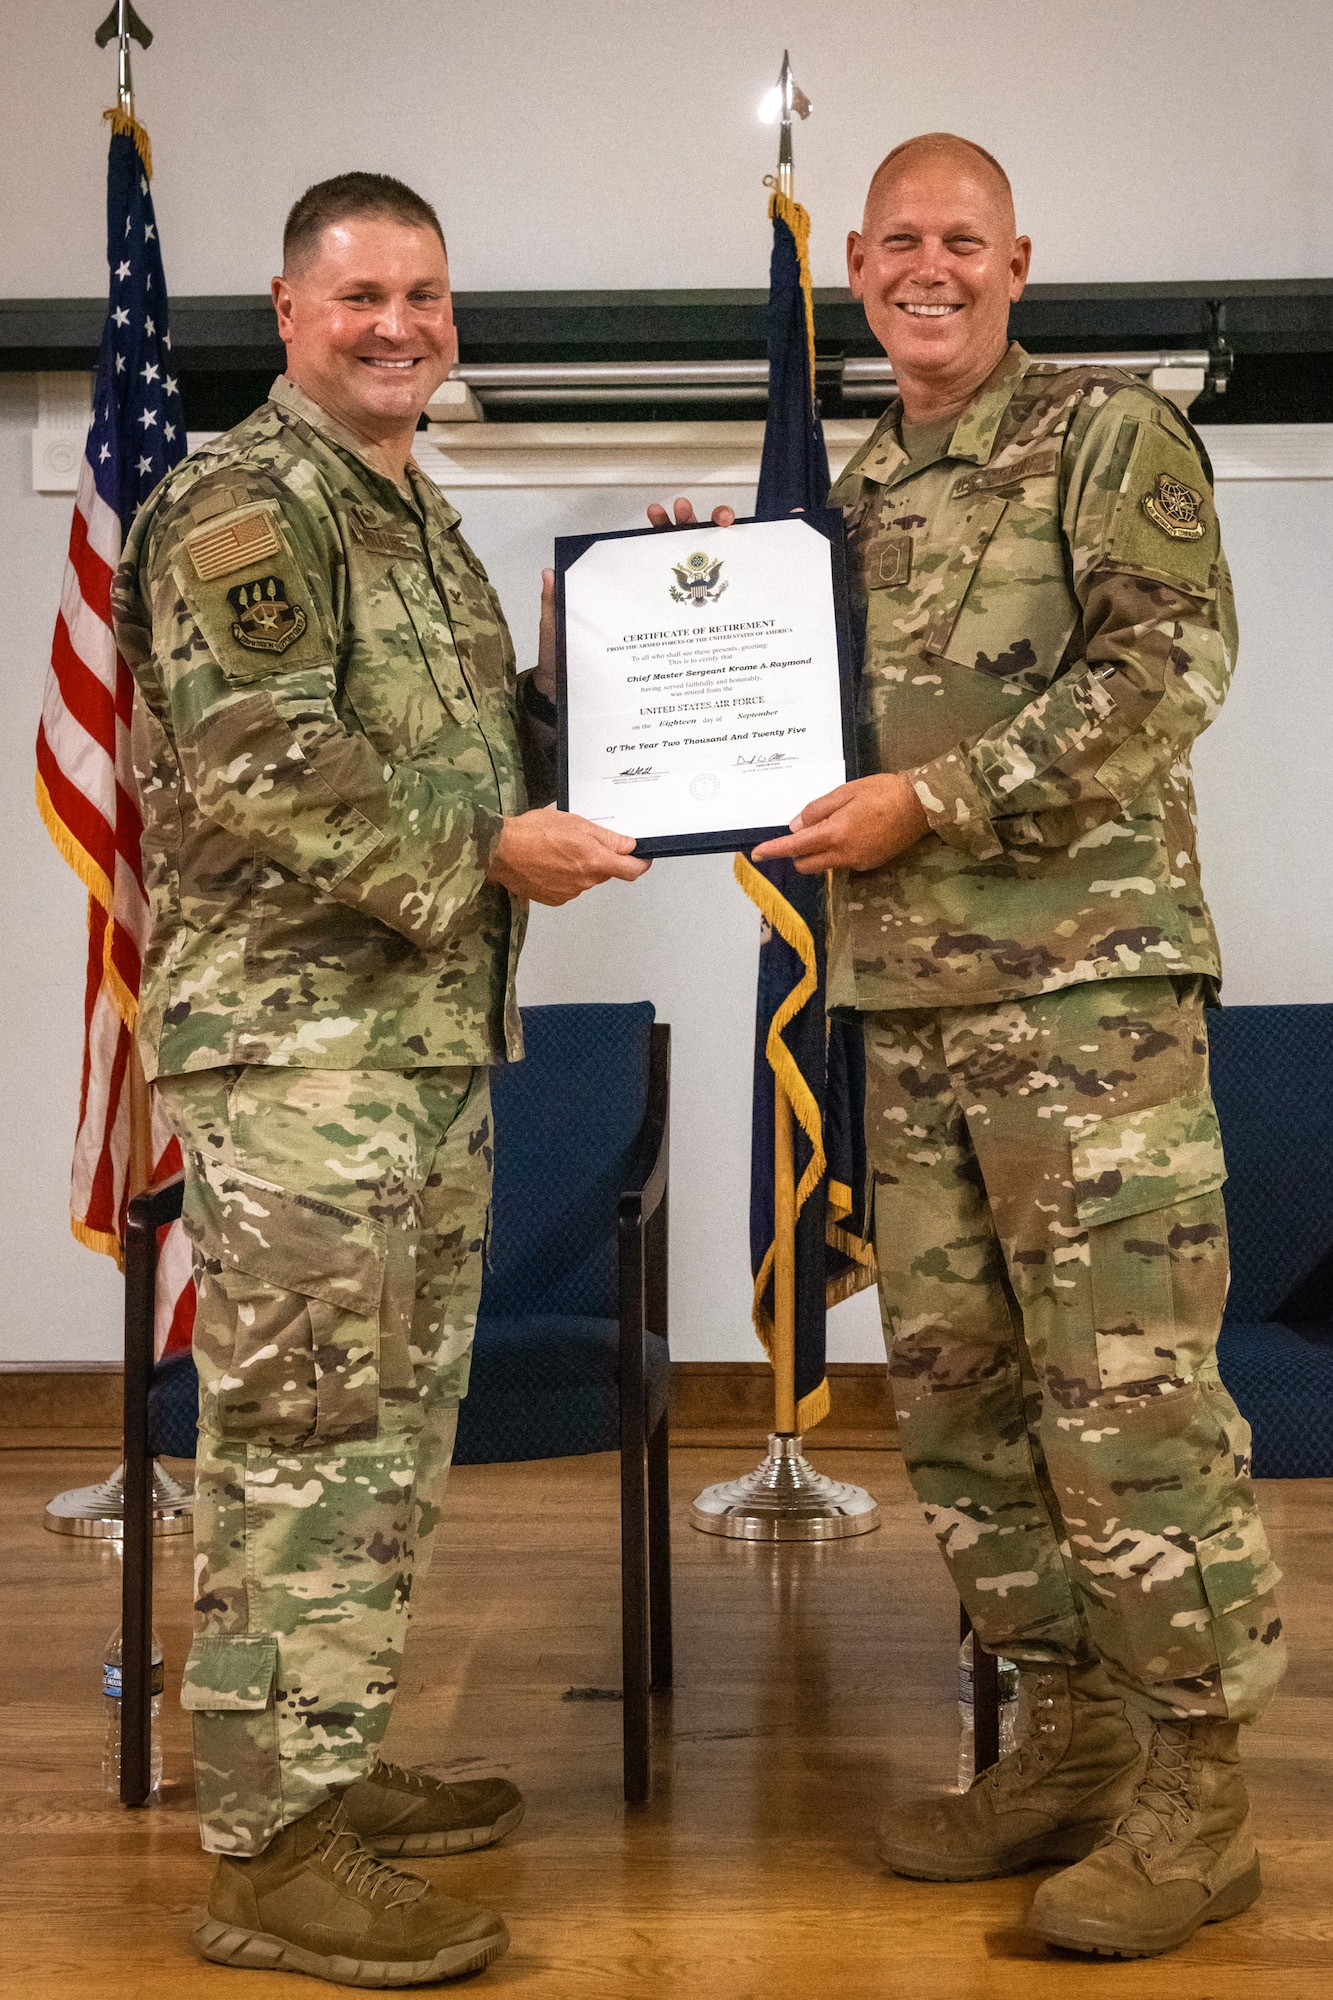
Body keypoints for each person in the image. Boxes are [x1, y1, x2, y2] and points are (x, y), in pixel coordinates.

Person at [113, 170, 671, 1987]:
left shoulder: (410, 514)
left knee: (387, 1440)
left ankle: (325, 1770)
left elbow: (478, 744)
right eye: (360, 295)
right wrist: (493, 843)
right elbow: (268, 758)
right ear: (287, 313)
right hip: (300, 1056)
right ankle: (269, 1848)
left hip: (415, 1044)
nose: (398, 325)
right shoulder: (239, 504)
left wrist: (622, 656)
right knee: (299, 1445)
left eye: (424, 295)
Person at [749, 133, 1284, 1960]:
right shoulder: (856, 487)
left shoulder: (1105, 435)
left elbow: (1168, 664)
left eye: (957, 240)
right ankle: (1065, 1743)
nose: (924, 267)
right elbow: (803, 721)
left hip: (1086, 1010)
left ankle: (1197, 1798)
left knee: (1129, 1410)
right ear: (859, 275)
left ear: (1015, 261)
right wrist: (696, 617)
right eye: (894, 241)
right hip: (905, 1017)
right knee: (969, 1417)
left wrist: (943, 800)